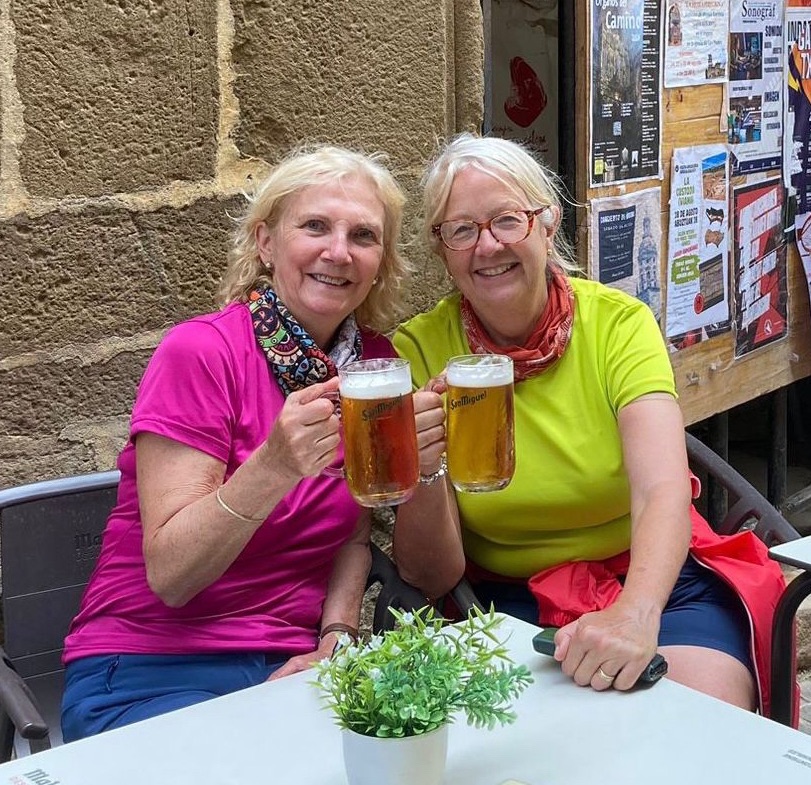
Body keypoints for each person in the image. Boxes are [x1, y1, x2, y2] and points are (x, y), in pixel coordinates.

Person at [393, 133, 788, 717]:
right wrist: (425, 469)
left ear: (547, 224)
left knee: (696, 720)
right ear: (442, 249)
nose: (487, 245)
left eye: (507, 220)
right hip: (502, 601)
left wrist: (636, 614)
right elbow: (431, 575)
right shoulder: (418, 350)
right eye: (462, 230)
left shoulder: (617, 324)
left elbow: (661, 489)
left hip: (653, 580)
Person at [61, 144, 428, 740]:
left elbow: (353, 534)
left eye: (363, 235)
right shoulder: (202, 352)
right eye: (315, 226)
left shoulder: (374, 369)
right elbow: (173, 576)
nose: (339, 251)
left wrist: (337, 636)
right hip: (153, 663)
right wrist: (274, 466)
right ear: (265, 242)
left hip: (290, 667)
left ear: (380, 262)